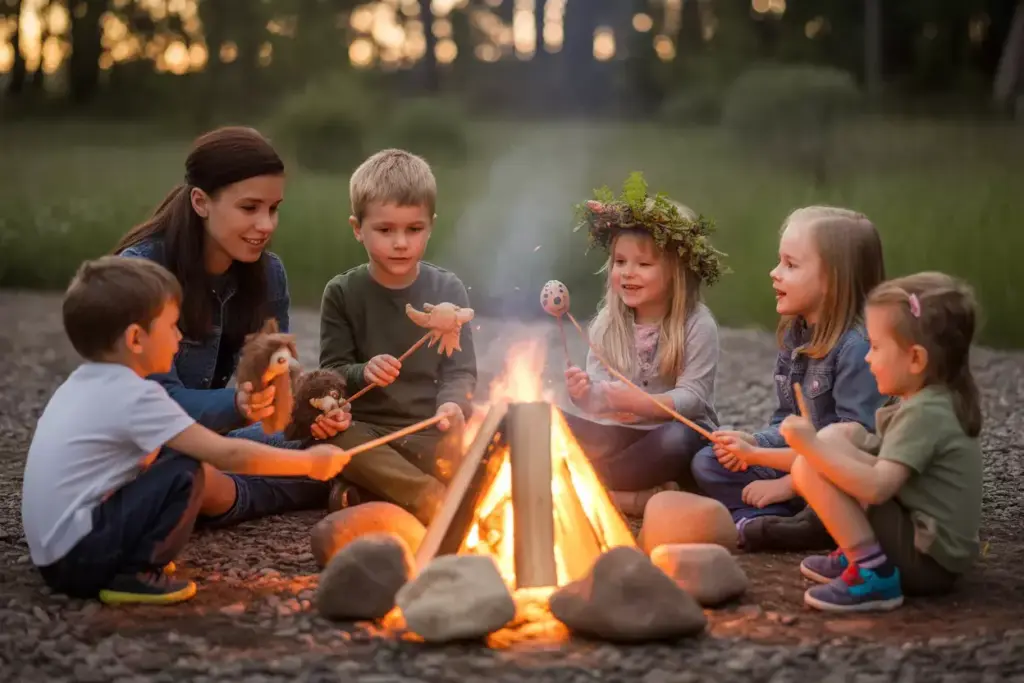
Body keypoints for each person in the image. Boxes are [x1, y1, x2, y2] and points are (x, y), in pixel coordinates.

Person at [21, 257, 351, 605]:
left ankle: (126, 554)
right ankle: (135, 572)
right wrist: (310, 463)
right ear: (136, 338)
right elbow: (227, 454)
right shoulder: (136, 395)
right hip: (81, 558)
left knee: (167, 462)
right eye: (172, 326)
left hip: (54, 553)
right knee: (186, 470)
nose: (179, 337)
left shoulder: (82, 384)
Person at [112, 125, 349, 529]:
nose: (266, 224)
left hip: (213, 442)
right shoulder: (141, 273)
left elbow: (279, 389)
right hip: (145, 445)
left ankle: (218, 494)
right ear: (201, 202)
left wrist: (315, 410)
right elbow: (157, 406)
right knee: (175, 466)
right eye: (249, 208)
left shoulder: (268, 273)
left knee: (335, 444)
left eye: (273, 209)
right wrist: (239, 406)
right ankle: (225, 492)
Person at [778, 272, 983, 612]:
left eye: (875, 347)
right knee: (838, 437)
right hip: (928, 547)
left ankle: (872, 571)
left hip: (927, 563)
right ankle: (862, 554)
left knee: (810, 465)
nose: (867, 358)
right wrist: (825, 443)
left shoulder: (925, 412)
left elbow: (876, 488)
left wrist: (810, 447)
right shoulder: (931, 400)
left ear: (916, 359)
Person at [692, 206, 888, 549]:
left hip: (841, 475)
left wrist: (787, 484)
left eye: (791, 265)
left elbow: (858, 449)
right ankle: (786, 517)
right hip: (799, 461)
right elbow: (786, 421)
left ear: (832, 281)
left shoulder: (857, 348)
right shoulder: (797, 335)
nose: (775, 272)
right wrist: (753, 443)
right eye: (779, 261)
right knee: (708, 461)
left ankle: (809, 518)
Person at [316, 149, 477, 525]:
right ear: (358, 228)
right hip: (368, 432)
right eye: (385, 230)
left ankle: (371, 492)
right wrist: (363, 372)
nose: (401, 243)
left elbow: (460, 372)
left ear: (430, 226)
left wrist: (452, 406)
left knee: (488, 435)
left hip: (430, 429)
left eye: (413, 230)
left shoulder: (448, 289)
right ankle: (430, 498)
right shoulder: (342, 293)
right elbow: (331, 375)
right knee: (331, 437)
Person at [561, 173, 725, 517]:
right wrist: (585, 394)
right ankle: (630, 495)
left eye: (644, 264)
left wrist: (642, 403)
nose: (628, 272)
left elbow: (693, 399)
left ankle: (588, 487)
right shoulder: (607, 323)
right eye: (620, 262)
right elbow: (600, 401)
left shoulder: (696, 324)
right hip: (621, 440)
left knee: (677, 441)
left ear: (677, 272)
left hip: (670, 440)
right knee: (552, 424)